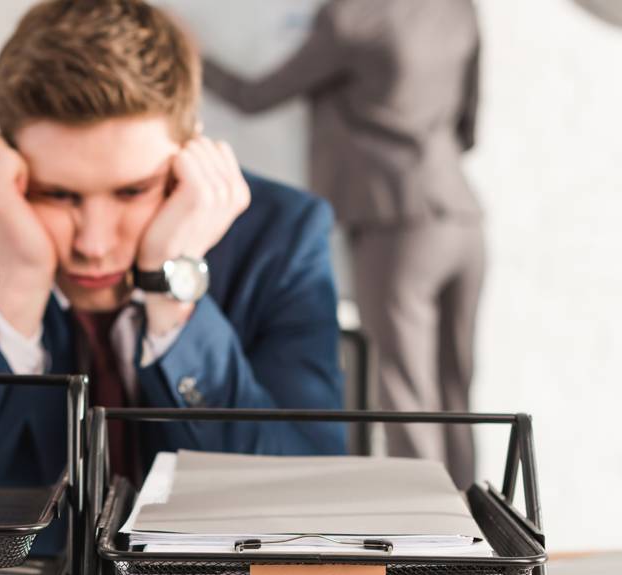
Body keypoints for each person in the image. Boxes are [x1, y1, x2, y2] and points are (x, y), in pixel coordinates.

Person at [0, 0, 346, 515]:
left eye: (133, 191)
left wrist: (173, 290)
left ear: (188, 165)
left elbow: (310, 499)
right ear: (6, 165)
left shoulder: (283, 235)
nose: (94, 244)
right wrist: (17, 290)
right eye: (57, 194)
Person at [201, 0, 484, 489]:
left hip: (393, 220)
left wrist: (192, 55)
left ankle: (430, 526)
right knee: (454, 391)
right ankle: (471, 521)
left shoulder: (352, 17)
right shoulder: (460, 9)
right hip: (462, 214)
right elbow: (469, 122)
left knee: (404, 391)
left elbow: (254, 96)